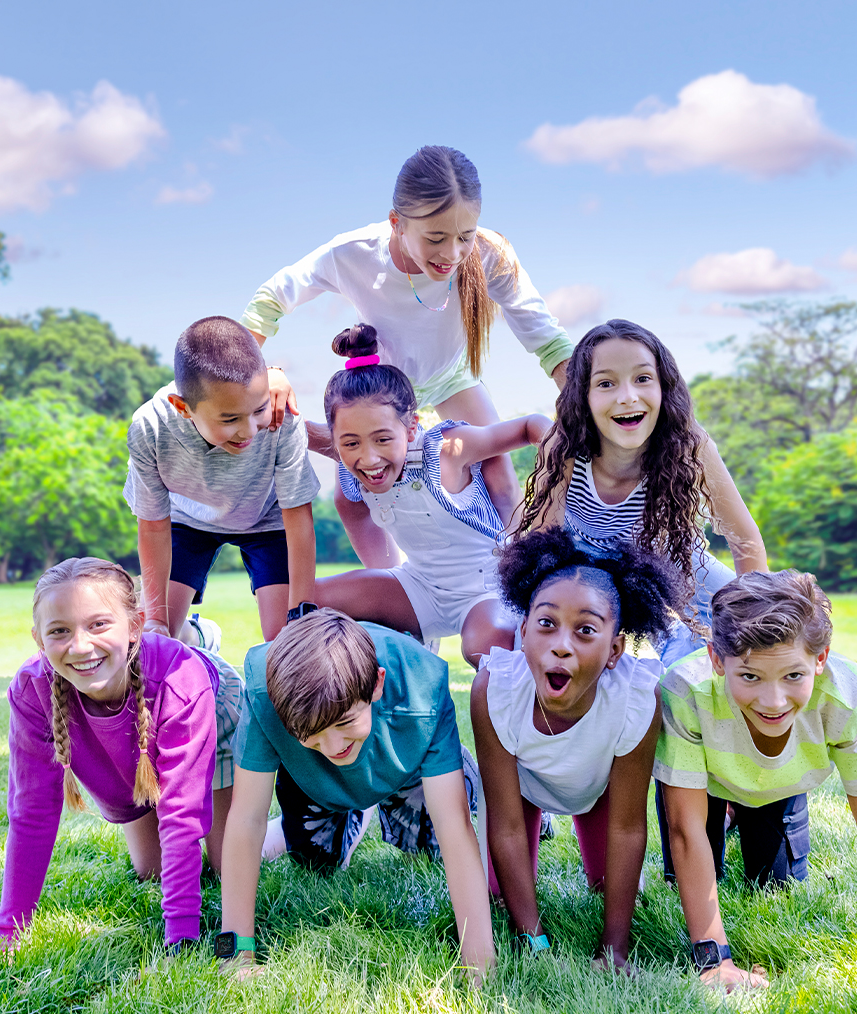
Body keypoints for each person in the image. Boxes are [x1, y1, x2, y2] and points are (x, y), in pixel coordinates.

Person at [239, 145, 574, 557]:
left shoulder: (490, 255)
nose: (451, 254)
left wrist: (582, 401)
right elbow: (271, 298)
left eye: (464, 237)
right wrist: (257, 373)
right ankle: (390, 584)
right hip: (387, 390)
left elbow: (546, 338)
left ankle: (524, 575)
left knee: (499, 474)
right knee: (351, 497)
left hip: (454, 379)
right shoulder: (355, 252)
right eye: (435, 238)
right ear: (397, 223)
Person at [653, 570, 857, 991]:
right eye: (749, 677)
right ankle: (721, 814)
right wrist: (715, 961)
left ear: (821, 659)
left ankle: (741, 815)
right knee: (687, 877)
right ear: (717, 660)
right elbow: (685, 830)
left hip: (780, 786)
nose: (773, 701)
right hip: (703, 786)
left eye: (792, 676)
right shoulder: (684, 692)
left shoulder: (847, 697)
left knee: (773, 887)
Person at [217, 609, 495, 983]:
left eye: (345, 723)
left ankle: (452, 773)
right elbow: (246, 818)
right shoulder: (263, 692)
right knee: (317, 860)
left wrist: (477, 960)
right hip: (317, 780)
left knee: (434, 843)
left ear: (378, 684)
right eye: (312, 733)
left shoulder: (422, 687)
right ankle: (353, 809)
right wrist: (237, 951)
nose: (333, 746)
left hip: (405, 766)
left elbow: (454, 825)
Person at [0, 558, 243, 952]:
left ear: (134, 625)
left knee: (224, 863)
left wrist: (180, 938)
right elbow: (32, 813)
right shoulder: (33, 689)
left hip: (210, 704)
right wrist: (10, 930)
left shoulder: (181, 684)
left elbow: (181, 816)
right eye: (60, 631)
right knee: (151, 870)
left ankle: (197, 640)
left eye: (98, 624)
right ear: (39, 640)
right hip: (142, 734)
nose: (79, 646)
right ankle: (196, 633)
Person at [470, 527, 681, 972]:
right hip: (523, 793)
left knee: (620, 890)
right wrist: (535, 940)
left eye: (586, 630)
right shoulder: (495, 689)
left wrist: (614, 949)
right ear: (523, 631)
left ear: (615, 650)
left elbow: (628, 828)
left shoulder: (636, 698)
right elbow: (504, 826)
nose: (561, 645)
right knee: (499, 899)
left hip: (598, 789)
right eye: (546, 624)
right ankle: (526, 917)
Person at [516, 319, 768, 664]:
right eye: (606, 383)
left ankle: (691, 657)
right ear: (583, 396)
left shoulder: (690, 445)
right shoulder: (565, 447)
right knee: (528, 648)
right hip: (580, 560)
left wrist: (758, 621)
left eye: (643, 378)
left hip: (662, 557)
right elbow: (541, 548)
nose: (627, 397)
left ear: (664, 386)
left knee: (751, 632)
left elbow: (745, 538)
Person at [311, 323, 550, 667]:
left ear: (410, 428)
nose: (369, 458)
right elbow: (291, 432)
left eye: (382, 439)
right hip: (419, 586)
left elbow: (530, 426)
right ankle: (408, 647)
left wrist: (564, 450)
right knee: (306, 601)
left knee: (485, 646)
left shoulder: (446, 451)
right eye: (351, 443)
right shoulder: (350, 477)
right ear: (334, 440)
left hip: (485, 589)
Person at [124, 315, 319, 644]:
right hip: (188, 521)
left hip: (266, 522)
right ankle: (199, 637)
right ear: (183, 408)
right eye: (230, 419)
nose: (248, 431)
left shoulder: (281, 414)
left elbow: (299, 522)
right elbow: (153, 524)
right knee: (155, 637)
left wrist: (301, 613)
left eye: (257, 411)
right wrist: (156, 620)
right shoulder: (150, 427)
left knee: (285, 640)